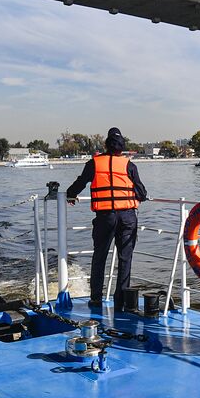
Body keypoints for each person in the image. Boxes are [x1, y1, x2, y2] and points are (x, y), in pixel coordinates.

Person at [65, 127, 147, 306]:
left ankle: (96, 299)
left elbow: (80, 183)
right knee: (125, 259)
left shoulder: (94, 163)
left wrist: (70, 194)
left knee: (100, 256)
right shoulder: (129, 165)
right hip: (127, 217)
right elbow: (142, 192)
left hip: (105, 217)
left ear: (106, 145)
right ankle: (121, 302)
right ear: (122, 147)